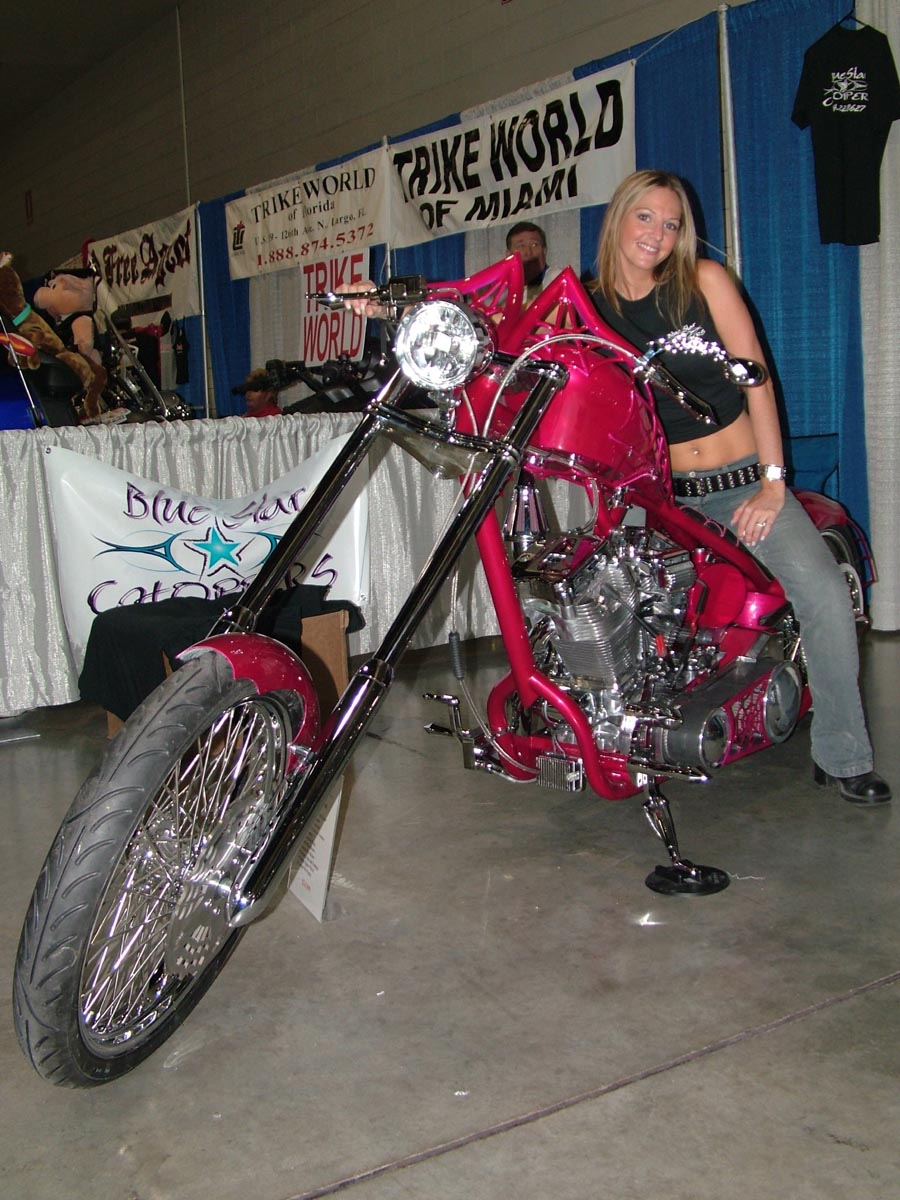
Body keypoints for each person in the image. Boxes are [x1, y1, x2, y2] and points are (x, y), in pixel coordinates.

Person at [589, 168, 889, 804]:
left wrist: (773, 483)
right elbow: (497, 317)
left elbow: (757, 380)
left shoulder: (703, 281)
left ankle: (841, 754)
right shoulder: (589, 307)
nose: (657, 234)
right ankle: (628, 739)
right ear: (618, 217)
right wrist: (389, 307)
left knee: (824, 596)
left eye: (671, 224)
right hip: (665, 496)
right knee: (612, 607)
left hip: (742, 483)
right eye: (645, 217)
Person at [505, 221, 559, 302]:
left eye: (534, 245)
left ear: (544, 251)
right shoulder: (501, 291)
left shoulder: (557, 280)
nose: (528, 252)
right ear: (509, 255)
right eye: (521, 246)